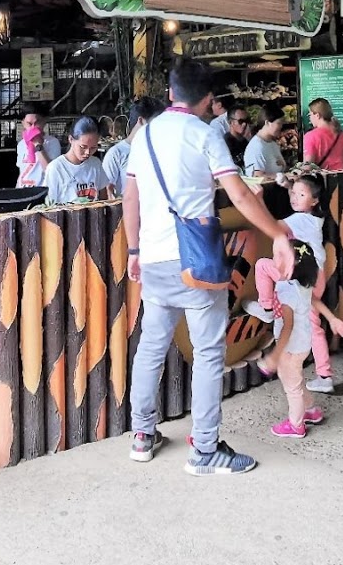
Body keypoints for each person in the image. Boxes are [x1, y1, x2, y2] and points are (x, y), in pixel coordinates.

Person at [124, 57, 296, 475]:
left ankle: (142, 435)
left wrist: (133, 251)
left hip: (154, 259)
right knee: (207, 354)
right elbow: (239, 194)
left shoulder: (144, 135)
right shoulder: (204, 135)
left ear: (170, 93)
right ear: (207, 99)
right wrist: (277, 233)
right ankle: (203, 449)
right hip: (196, 262)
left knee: (151, 346)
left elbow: (131, 196)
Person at [243, 175, 339, 393]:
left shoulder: (300, 220)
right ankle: (325, 375)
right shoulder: (314, 217)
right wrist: (289, 185)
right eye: (293, 193)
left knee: (263, 266)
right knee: (314, 325)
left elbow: (272, 226)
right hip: (315, 276)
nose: (294, 198)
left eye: (301, 195)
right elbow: (299, 196)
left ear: (314, 200)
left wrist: (259, 199)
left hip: (299, 276)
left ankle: (267, 307)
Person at [254, 244, 343, 436]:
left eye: (279, 257)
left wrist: (274, 356)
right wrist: (332, 318)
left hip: (290, 347)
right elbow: (314, 300)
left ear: (290, 266)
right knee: (295, 379)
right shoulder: (300, 284)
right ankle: (310, 410)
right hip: (302, 343)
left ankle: (296, 425)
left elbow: (287, 327)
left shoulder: (287, 292)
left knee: (292, 386)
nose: (274, 259)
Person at [100, 97, 164, 198]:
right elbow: (107, 191)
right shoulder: (116, 153)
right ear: (141, 121)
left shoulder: (159, 150)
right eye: (156, 123)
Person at [45, 117, 108, 204]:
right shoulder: (56, 168)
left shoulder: (95, 164)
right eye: (83, 147)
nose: (87, 152)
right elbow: (50, 204)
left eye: (93, 147)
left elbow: (103, 199)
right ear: (71, 139)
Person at [16, 107, 61, 189]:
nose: (33, 127)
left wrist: (38, 145)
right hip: (23, 189)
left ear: (43, 122)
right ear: (23, 123)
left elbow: (50, 171)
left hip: (41, 189)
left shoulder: (52, 142)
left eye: (37, 123)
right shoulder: (21, 144)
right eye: (29, 124)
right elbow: (22, 171)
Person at [303, 98, 343, 171]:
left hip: (322, 177)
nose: (310, 119)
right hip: (342, 176)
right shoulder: (342, 135)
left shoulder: (310, 136)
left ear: (317, 115)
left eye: (310, 115)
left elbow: (308, 167)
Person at [243, 102, 288, 181]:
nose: (281, 126)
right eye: (279, 123)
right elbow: (257, 176)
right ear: (267, 123)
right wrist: (279, 176)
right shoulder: (256, 147)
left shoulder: (273, 144)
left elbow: (281, 166)